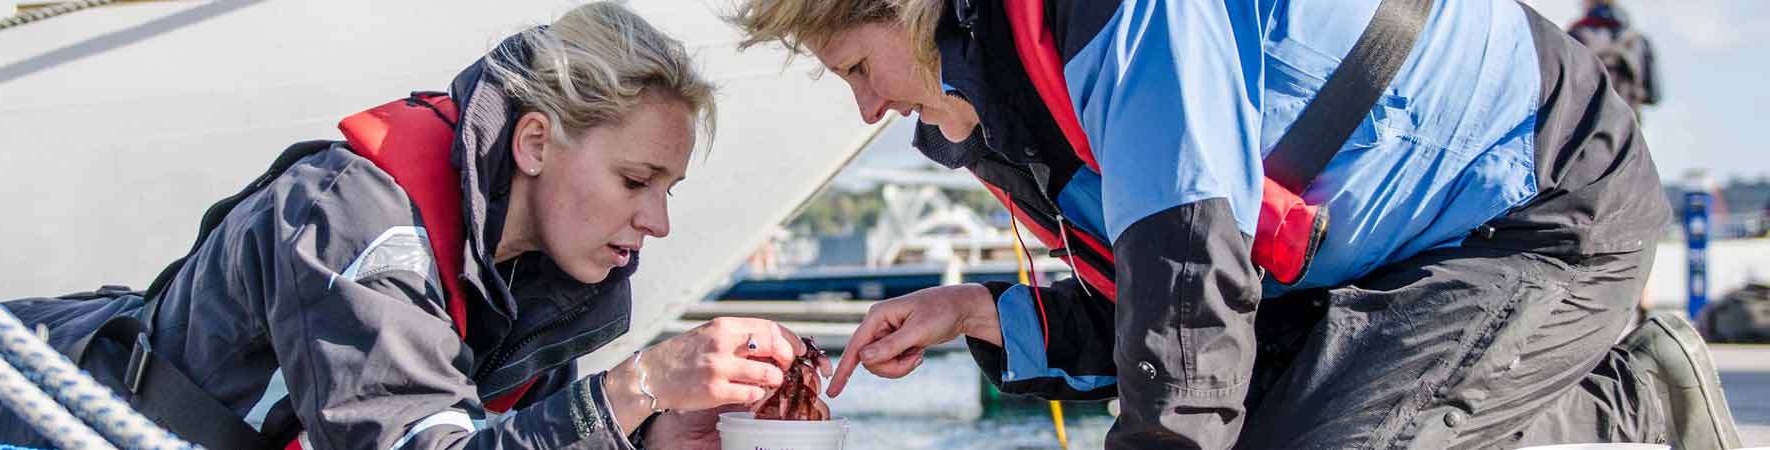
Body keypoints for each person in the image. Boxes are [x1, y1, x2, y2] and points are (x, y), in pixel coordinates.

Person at [729, 0, 1741, 449]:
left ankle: (1630, 406)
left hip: (1527, 201)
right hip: (1386, 258)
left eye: (855, 70)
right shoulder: (1010, 99)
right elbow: (1163, 315)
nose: (866, 111)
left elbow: (1191, 299)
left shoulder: (1118, 14)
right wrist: (979, 316)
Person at [0, 3, 821, 449]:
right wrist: (639, 384)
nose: (654, 221)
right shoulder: (352, 216)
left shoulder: (548, 284)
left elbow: (519, 436)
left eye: (668, 190)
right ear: (534, 143)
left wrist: (659, 433)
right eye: (637, 179)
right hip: (2, 404)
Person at [1569, 0, 1661, 121]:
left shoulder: (1574, 36)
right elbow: (1654, 96)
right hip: (1626, 131)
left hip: (1585, 130)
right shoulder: (1639, 41)